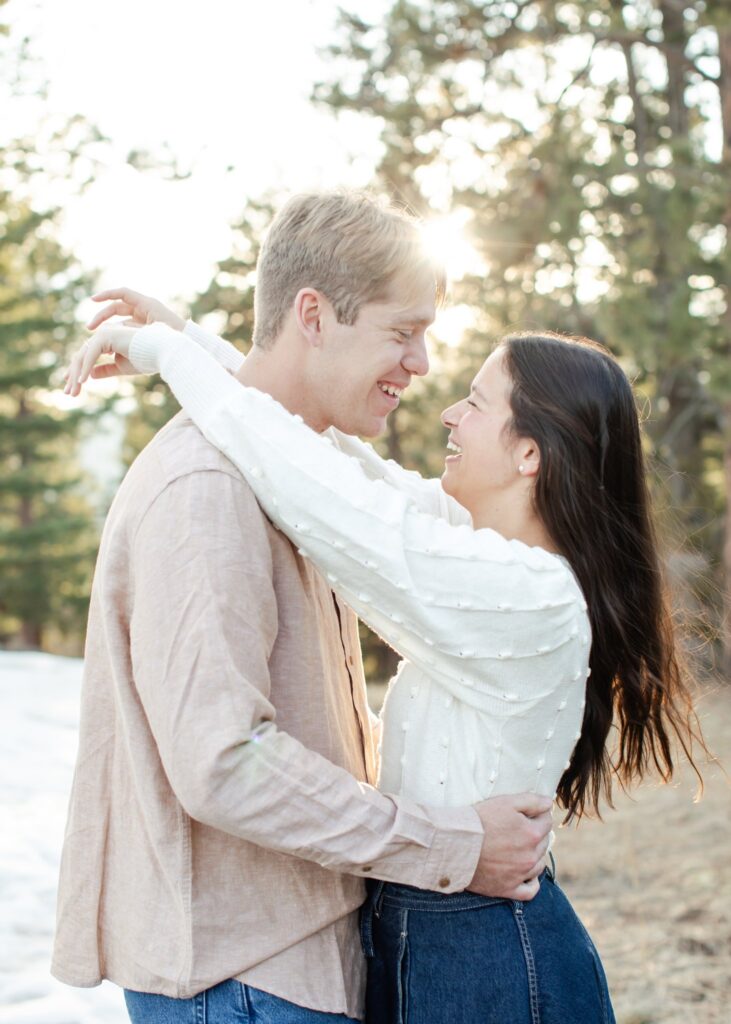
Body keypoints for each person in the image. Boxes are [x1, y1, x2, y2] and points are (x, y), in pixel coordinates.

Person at [66, 299, 707, 1024]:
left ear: (529, 454)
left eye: (473, 402)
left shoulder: (528, 592)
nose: (448, 417)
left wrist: (165, 356)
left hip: (484, 954)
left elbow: (316, 490)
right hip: (431, 930)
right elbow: (332, 459)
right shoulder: (479, 547)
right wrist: (192, 340)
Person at [53, 192, 556, 1024]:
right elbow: (225, 762)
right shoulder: (207, 490)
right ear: (314, 316)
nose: (422, 364)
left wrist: (184, 344)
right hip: (246, 976)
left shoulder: (291, 469)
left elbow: (278, 418)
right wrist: (454, 845)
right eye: (403, 333)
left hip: (287, 959)